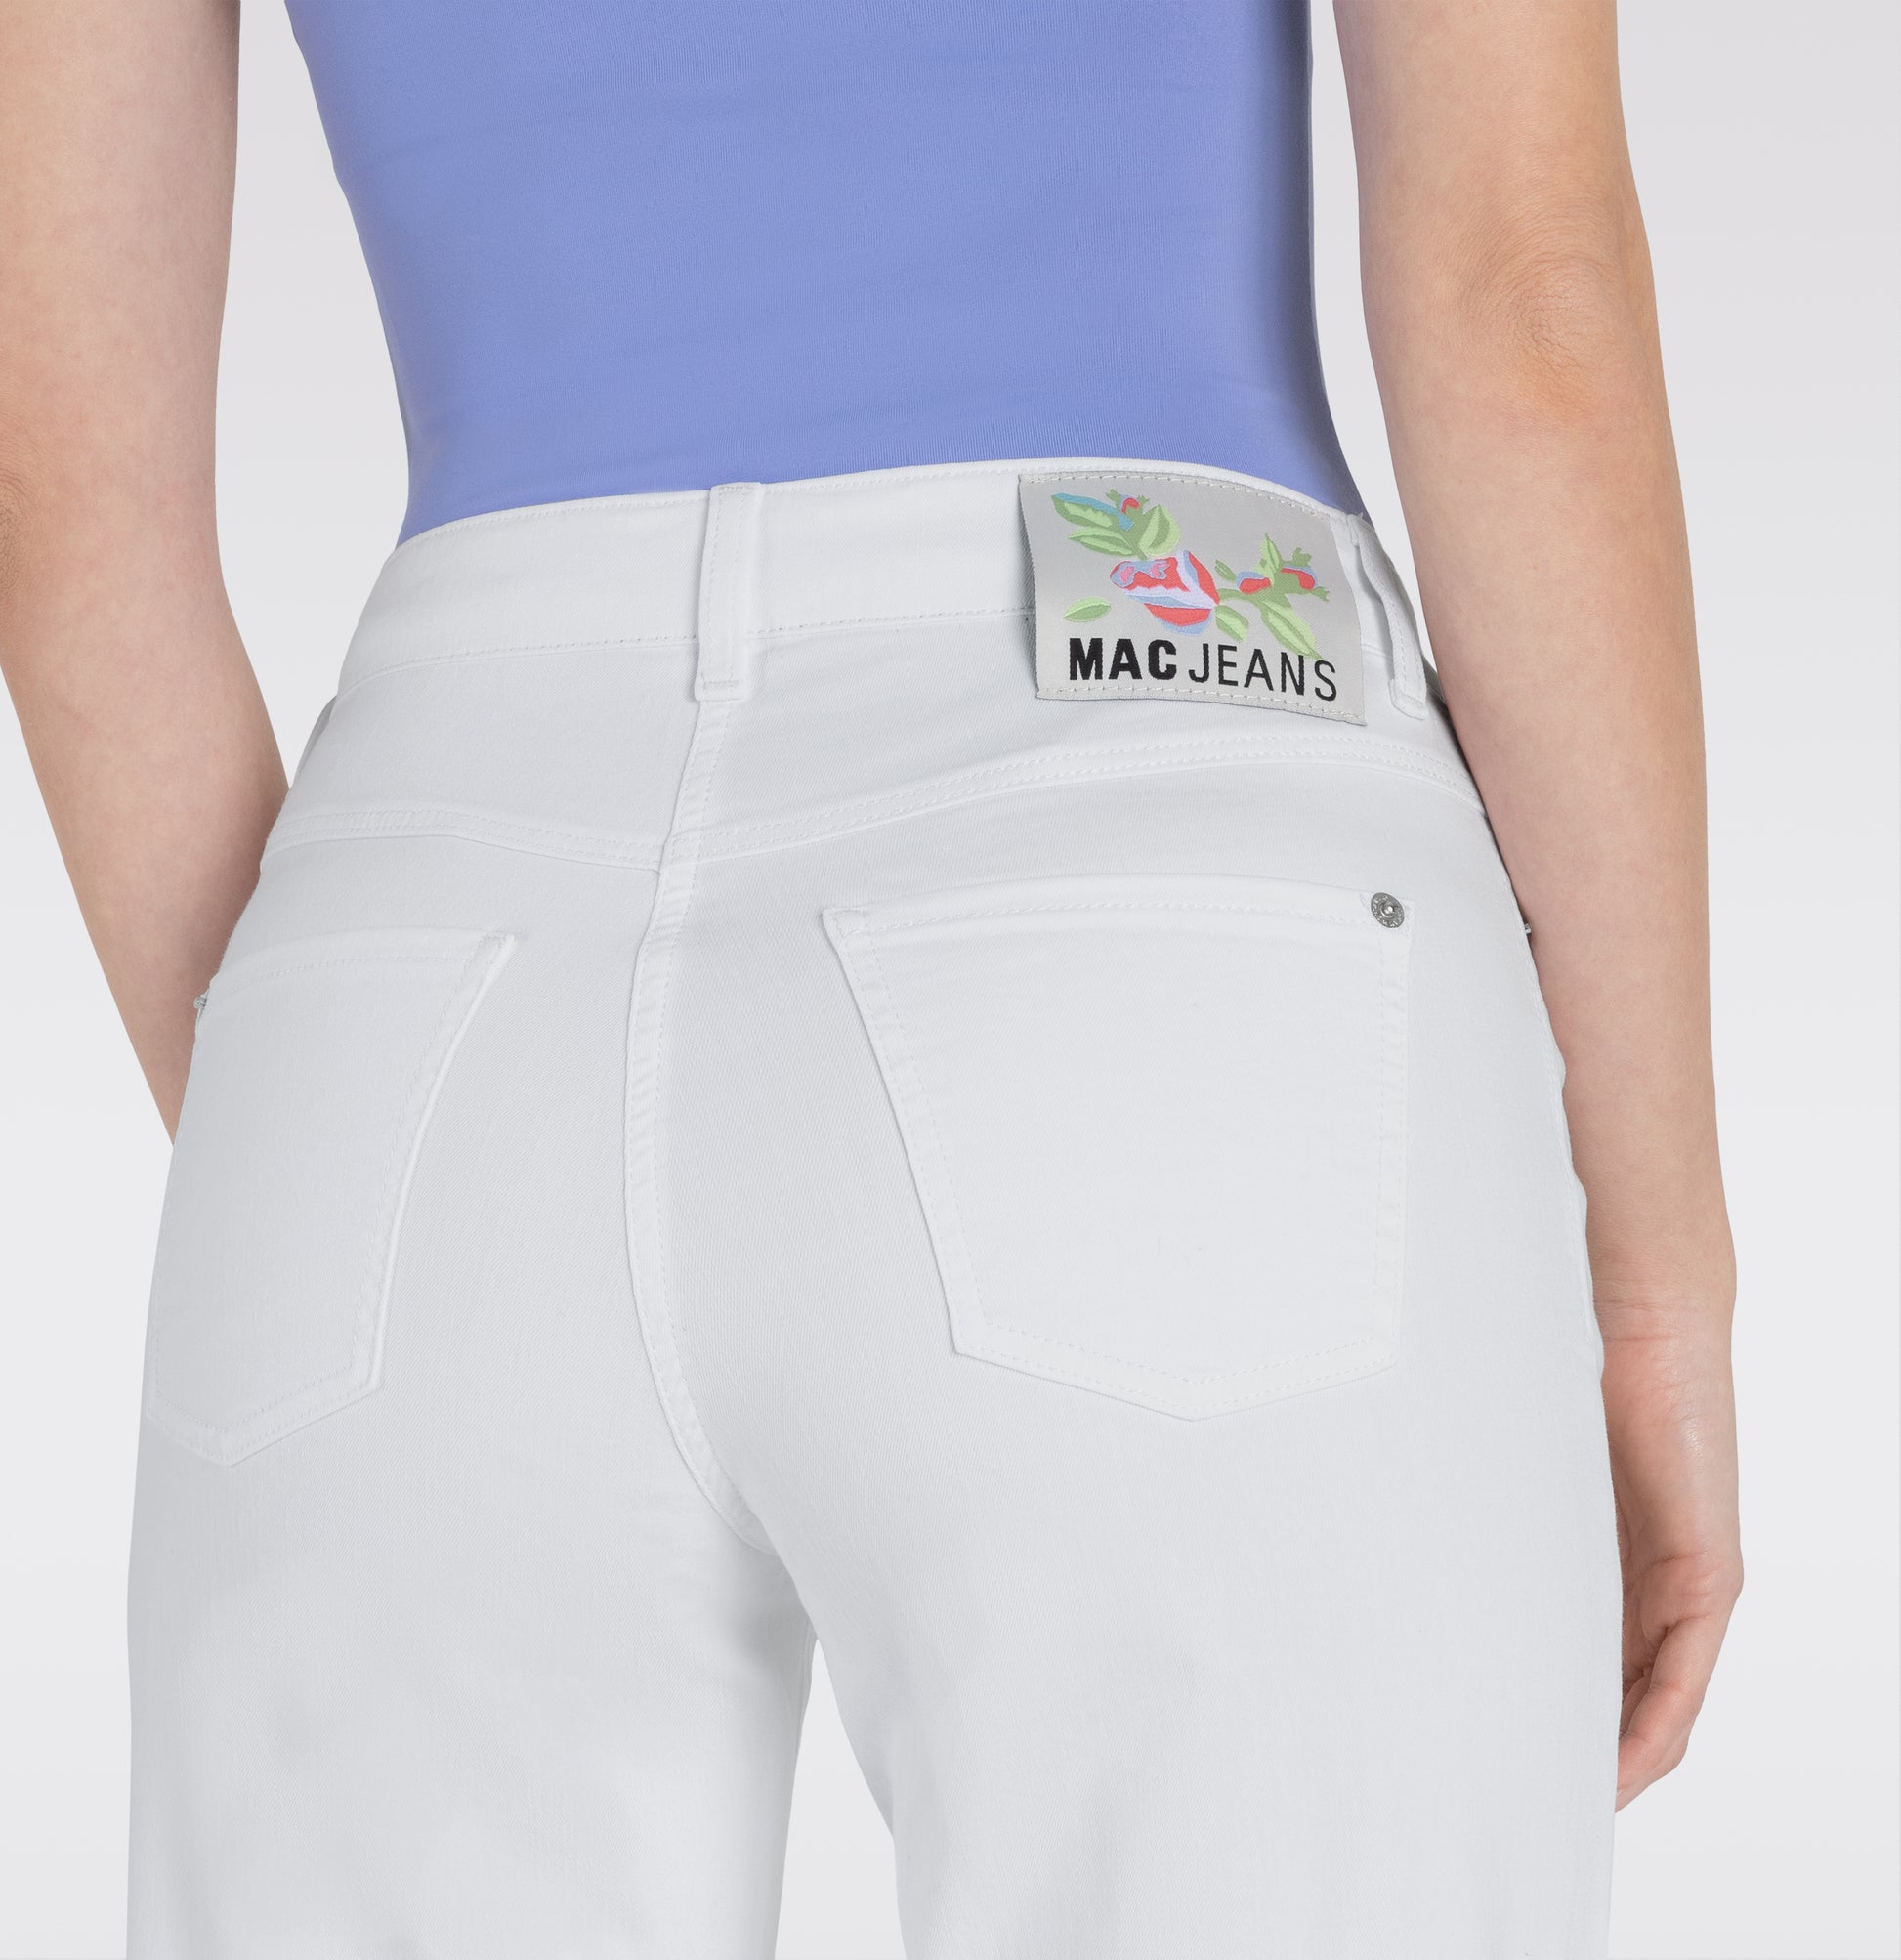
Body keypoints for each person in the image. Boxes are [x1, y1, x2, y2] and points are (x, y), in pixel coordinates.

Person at [0, 0, 1742, 1953]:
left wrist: (340, 1159)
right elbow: (1524, 300)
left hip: (421, 928)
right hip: (1169, 842)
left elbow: (65, 494)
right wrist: (1648, 1279)